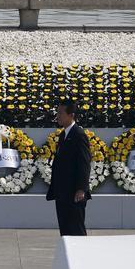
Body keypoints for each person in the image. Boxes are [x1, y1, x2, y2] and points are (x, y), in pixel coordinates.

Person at [47, 99, 92, 237]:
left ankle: (82, 257)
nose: (58, 116)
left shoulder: (78, 134)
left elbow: (84, 163)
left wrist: (81, 189)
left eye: (61, 113)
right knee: (65, 230)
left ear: (71, 115)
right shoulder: (63, 135)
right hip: (62, 192)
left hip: (74, 193)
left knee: (76, 229)